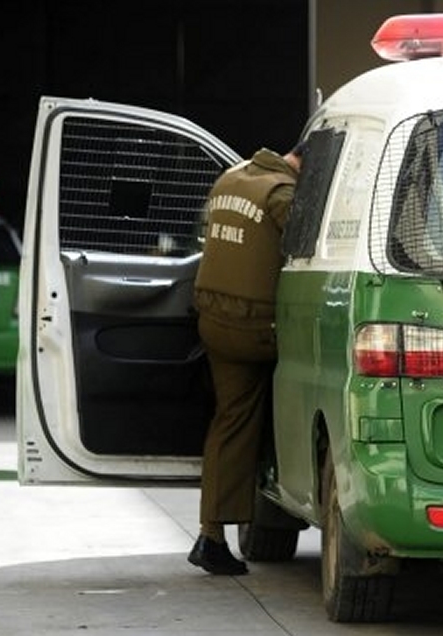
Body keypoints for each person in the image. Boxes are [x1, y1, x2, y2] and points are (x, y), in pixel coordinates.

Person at [187, 143, 303, 575]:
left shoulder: (230, 179)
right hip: (257, 331)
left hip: (213, 321)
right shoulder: (281, 195)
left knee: (231, 420)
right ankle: (282, 499)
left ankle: (211, 534)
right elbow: (309, 252)